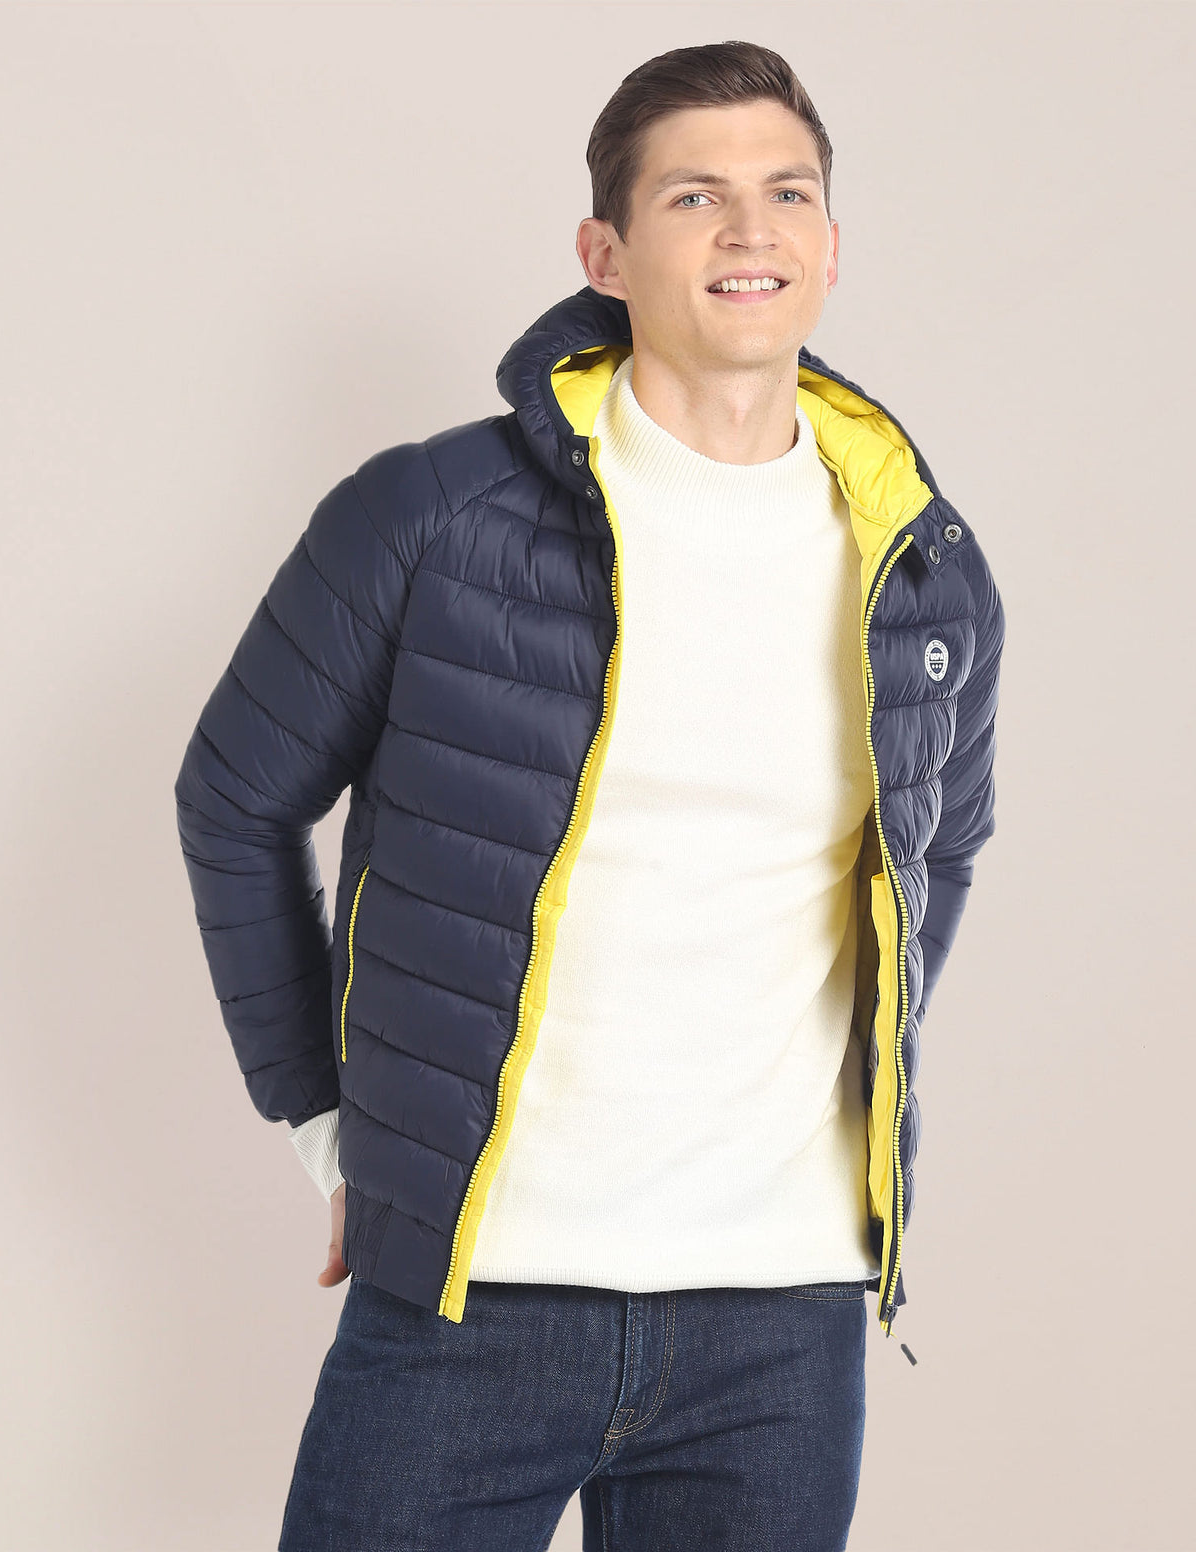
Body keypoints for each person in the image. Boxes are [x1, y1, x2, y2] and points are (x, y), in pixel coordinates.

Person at [174, 38, 1004, 1552]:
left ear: (830, 247)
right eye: (695, 195)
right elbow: (234, 798)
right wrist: (328, 1125)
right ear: (604, 255)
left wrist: (855, 1090)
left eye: (788, 193)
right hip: (474, 1295)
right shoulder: (432, 515)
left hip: (782, 1317)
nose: (749, 229)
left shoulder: (923, 569)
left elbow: (937, 851)